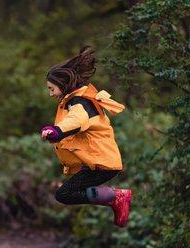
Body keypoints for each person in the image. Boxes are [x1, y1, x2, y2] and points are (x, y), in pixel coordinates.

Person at [40, 46, 132, 227]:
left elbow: (76, 120)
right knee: (69, 193)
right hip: (97, 162)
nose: (51, 93)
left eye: (52, 89)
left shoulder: (79, 102)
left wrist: (56, 131)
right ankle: (116, 198)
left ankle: (118, 196)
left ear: (62, 84)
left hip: (102, 165)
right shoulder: (78, 98)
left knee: (64, 195)